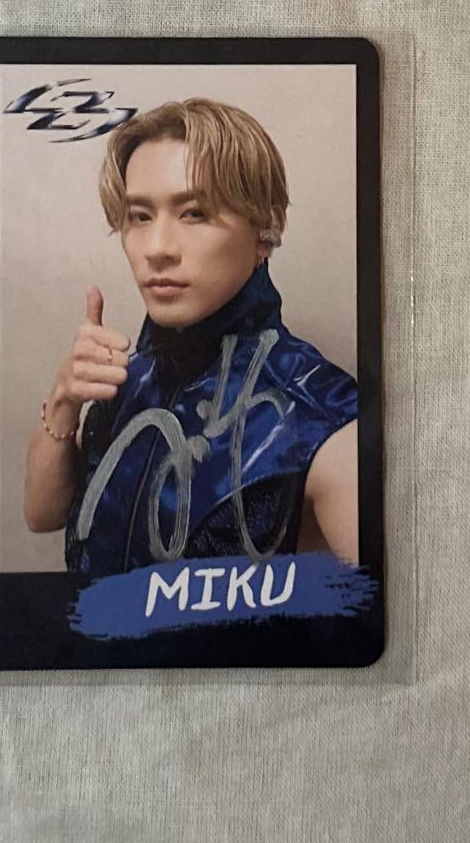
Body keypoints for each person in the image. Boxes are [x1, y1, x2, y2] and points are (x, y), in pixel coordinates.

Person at [23, 98, 360, 577]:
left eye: (194, 213)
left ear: (265, 231)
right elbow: (42, 515)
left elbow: (386, 613)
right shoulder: (128, 381)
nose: (157, 249)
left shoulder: (321, 417)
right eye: (140, 216)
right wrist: (64, 400)